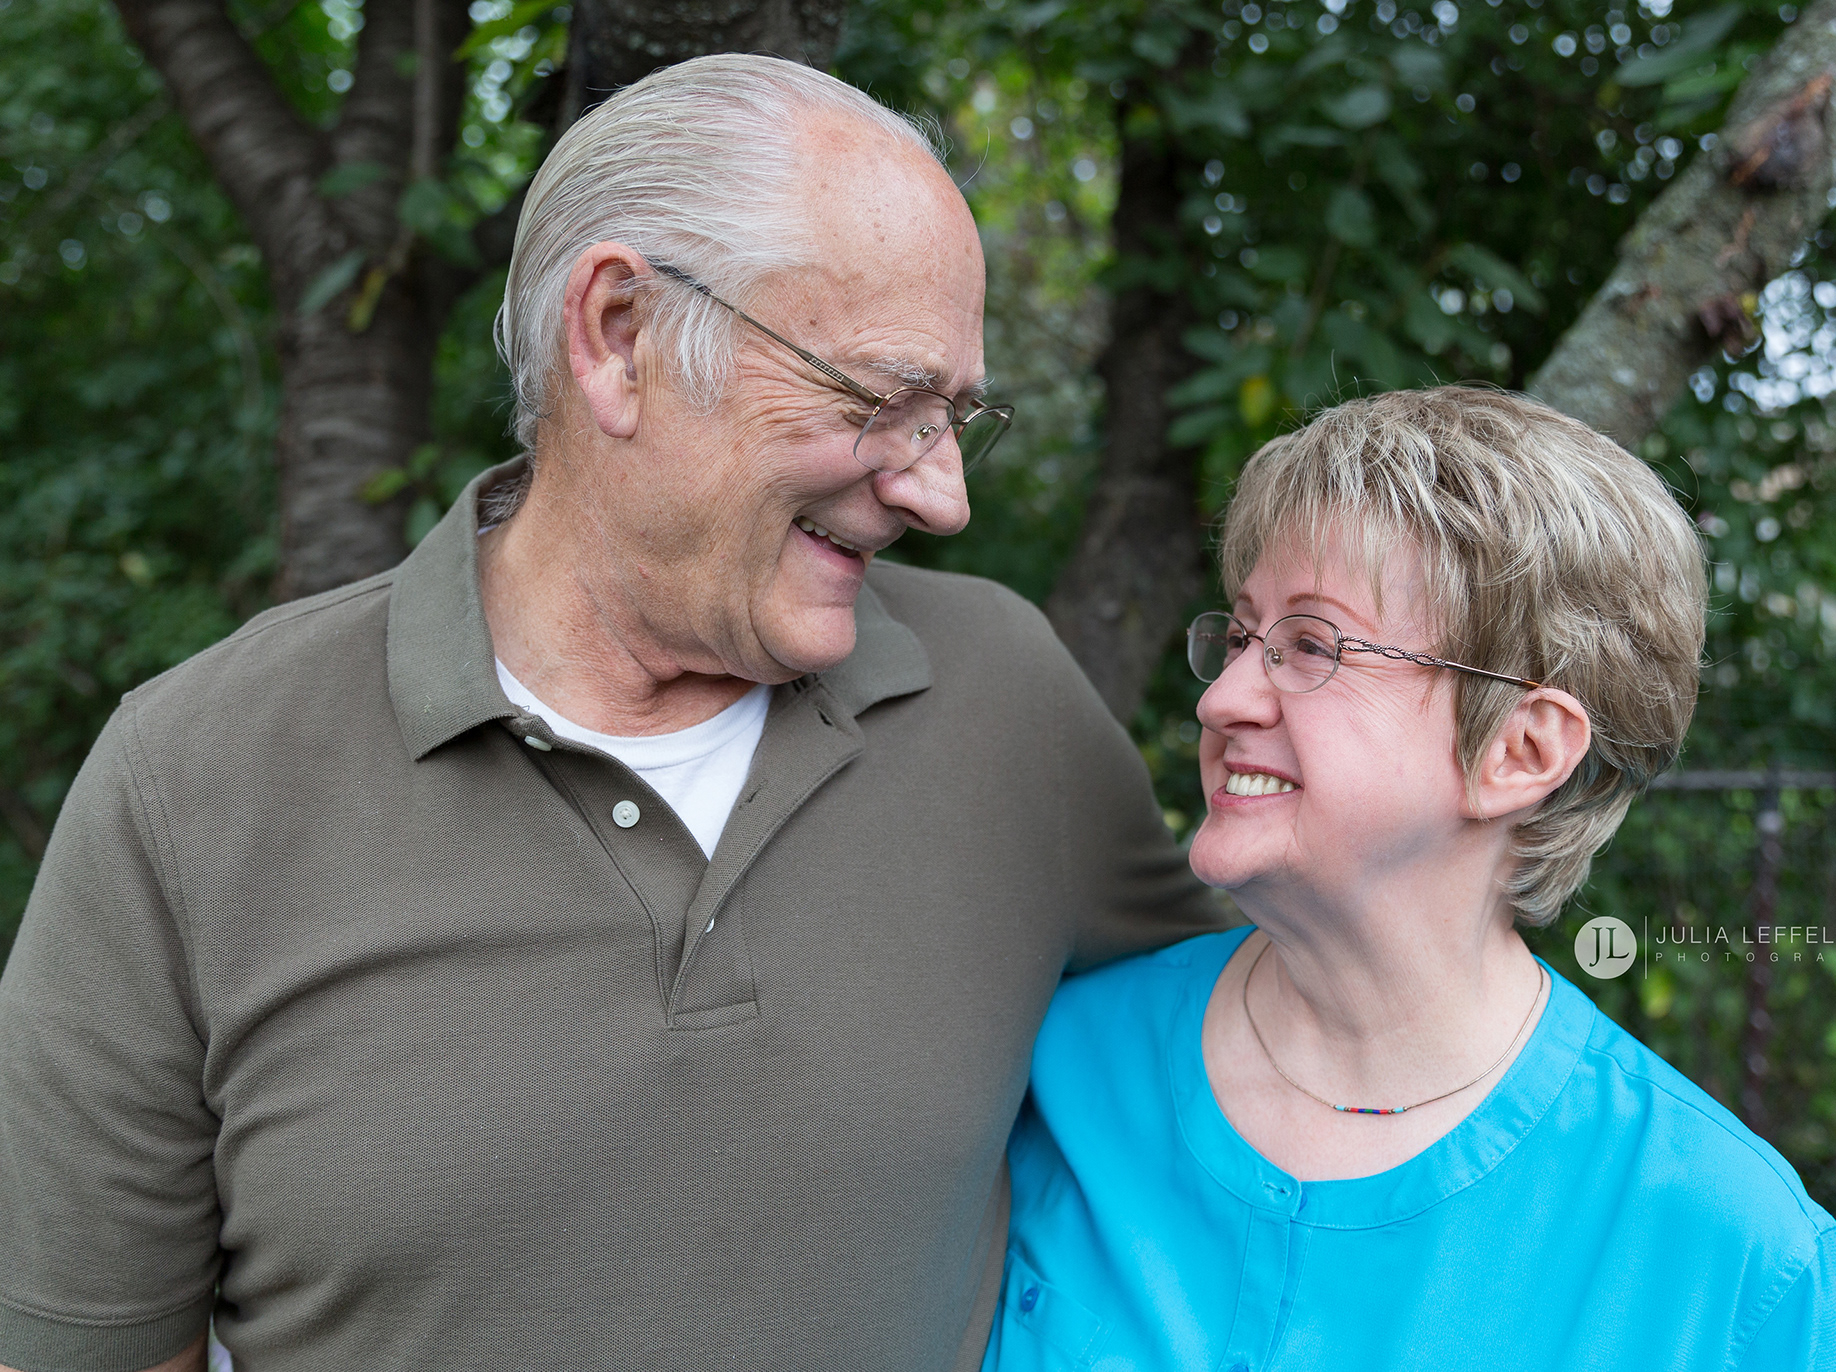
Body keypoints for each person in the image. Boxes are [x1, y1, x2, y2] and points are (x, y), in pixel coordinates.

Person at [0, 56, 1225, 1372]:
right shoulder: (192, 781)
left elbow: (1274, 1068)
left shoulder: (1006, 699)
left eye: (957, 418)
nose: (944, 497)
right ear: (621, 335)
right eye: (884, 401)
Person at [985, 387, 1836, 1372]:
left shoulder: (1731, 1256)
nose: (1224, 698)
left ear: (1521, 751)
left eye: (1312, 646)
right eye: (1240, 638)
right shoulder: (1056, 1060)